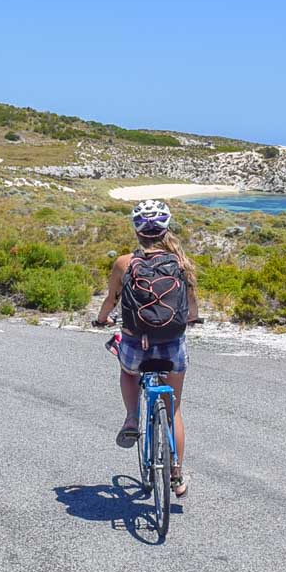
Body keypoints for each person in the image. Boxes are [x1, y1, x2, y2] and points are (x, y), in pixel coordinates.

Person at [94, 199, 199, 498]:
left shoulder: (124, 263)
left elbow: (111, 300)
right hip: (172, 343)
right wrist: (192, 319)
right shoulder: (180, 262)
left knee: (128, 372)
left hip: (134, 340)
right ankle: (176, 474)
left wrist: (102, 319)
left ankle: (131, 418)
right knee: (175, 408)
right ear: (165, 228)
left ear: (137, 230)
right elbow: (191, 305)